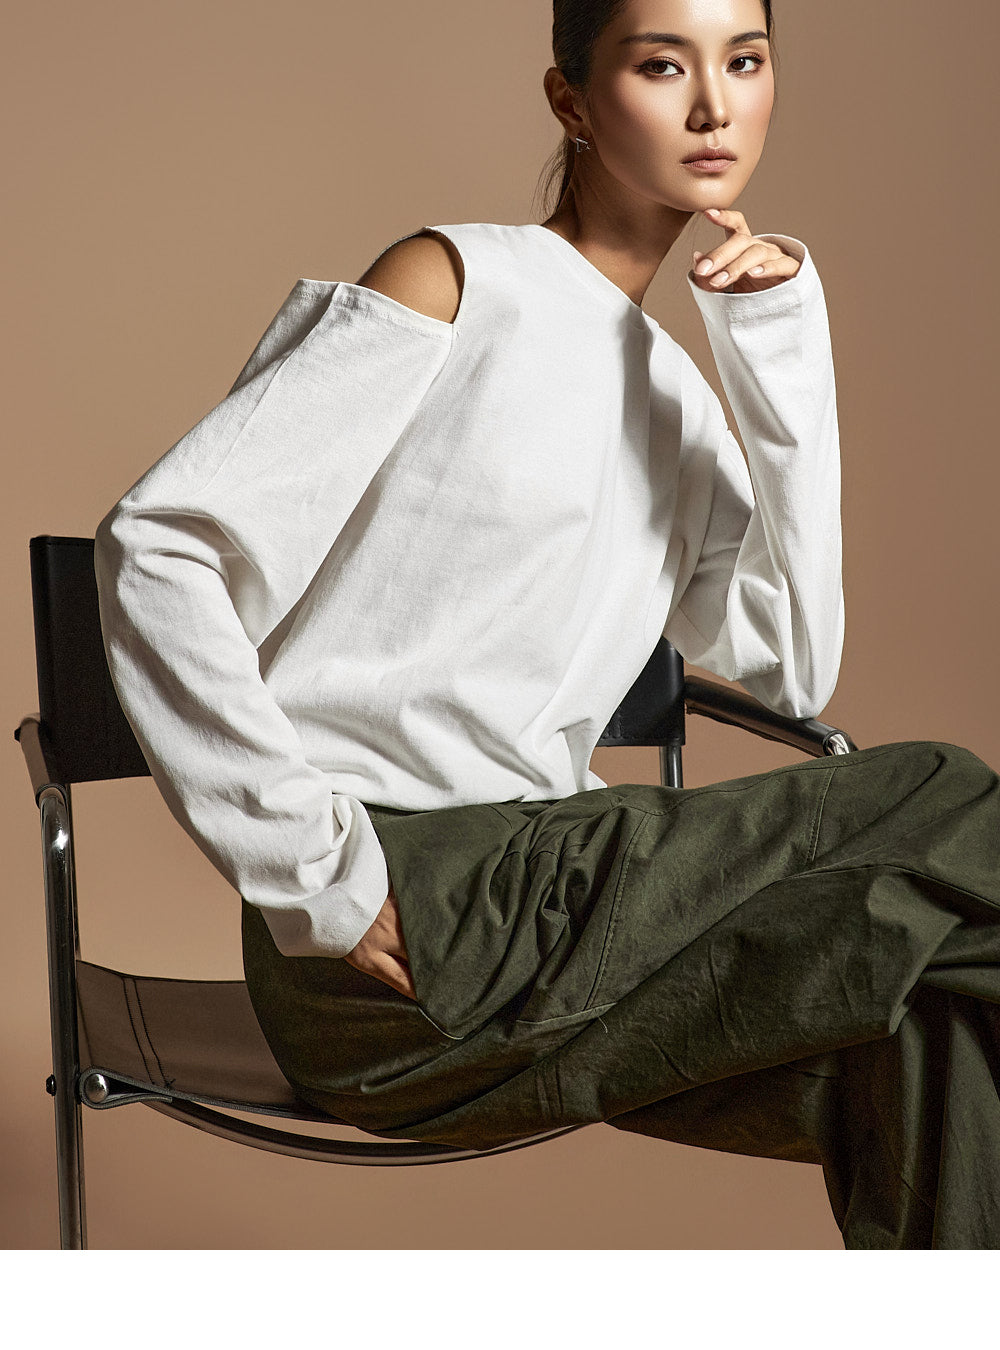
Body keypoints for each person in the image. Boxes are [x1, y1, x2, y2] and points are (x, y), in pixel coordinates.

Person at [93, 0, 1000, 1249]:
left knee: (936, 1033)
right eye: (661, 64)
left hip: (556, 925)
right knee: (947, 797)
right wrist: (317, 877)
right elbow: (161, 545)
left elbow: (792, 663)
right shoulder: (456, 282)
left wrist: (778, 345)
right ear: (571, 99)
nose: (712, 105)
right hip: (414, 924)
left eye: (744, 61)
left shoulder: (675, 394)